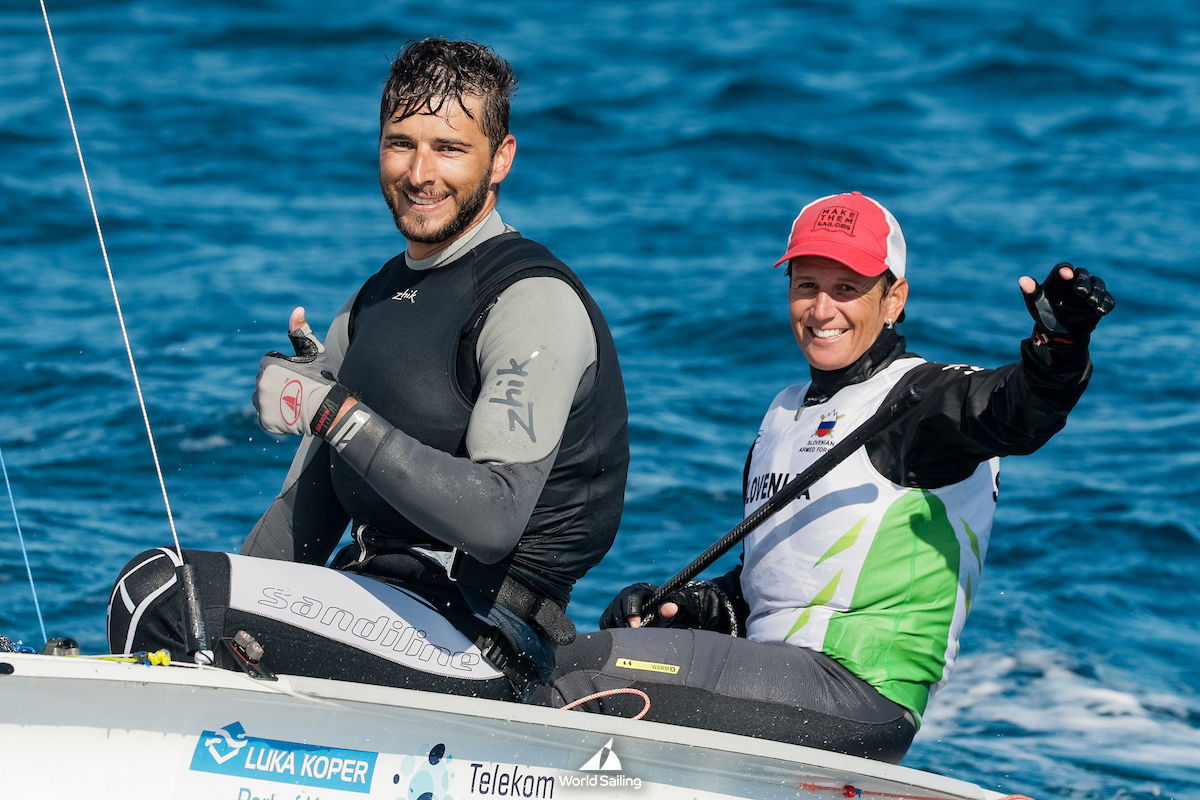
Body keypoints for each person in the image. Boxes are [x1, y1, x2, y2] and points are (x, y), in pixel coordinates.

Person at [107, 38, 629, 701]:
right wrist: (215, 621)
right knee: (173, 601)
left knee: (157, 590)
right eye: (400, 143)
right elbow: (298, 529)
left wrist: (332, 412)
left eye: (449, 148)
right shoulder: (367, 308)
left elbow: (494, 519)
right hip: (374, 610)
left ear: (501, 158)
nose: (420, 172)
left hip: (486, 643)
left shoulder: (531, 302)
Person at [539, 191, 1113, 762]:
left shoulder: (922, 401)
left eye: (846, 288)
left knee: (576, 671)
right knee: (561, 650)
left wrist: (1059, 349)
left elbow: (1017, 413)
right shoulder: (784, 414)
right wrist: (706, 609)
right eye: (807, 285)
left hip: (858, 692)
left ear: (893, 300)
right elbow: (788, 583)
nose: (821, 309)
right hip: (783, 684)